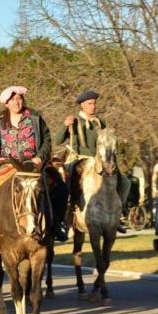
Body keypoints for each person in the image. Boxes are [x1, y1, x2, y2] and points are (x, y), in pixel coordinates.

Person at [0, 85, 68, 241]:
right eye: (12, 100)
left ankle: (56, 226)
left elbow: (47, 141)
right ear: (6, 104)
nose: (17, 102)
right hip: (7, 164)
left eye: (19, 99)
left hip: (34, 164)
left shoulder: (36, 118)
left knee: (61, 189)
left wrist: (39, 157)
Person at [58, 89, 129, 232]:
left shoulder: (100, 122)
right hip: (79, 159)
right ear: (82, 105)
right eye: (90, 104)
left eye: (94, 103)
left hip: (99, 160)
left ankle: (118, 214)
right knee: (66, 180)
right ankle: (67, 215)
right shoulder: (74, 121)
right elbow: (58, 140)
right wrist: (65, 125)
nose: (93, 106)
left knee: (125, 182)